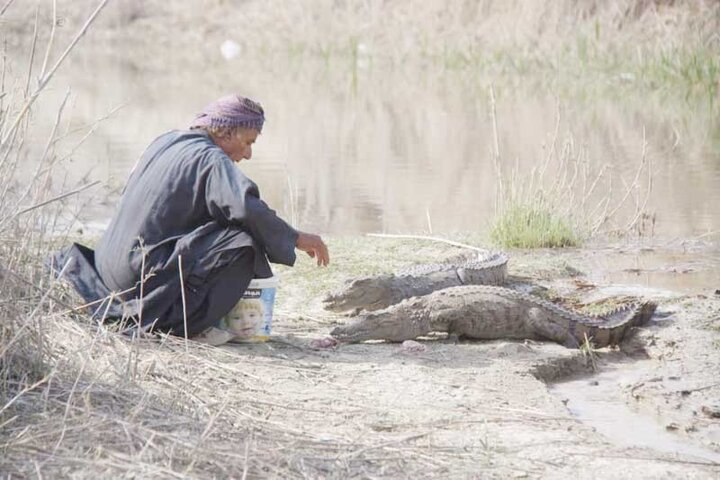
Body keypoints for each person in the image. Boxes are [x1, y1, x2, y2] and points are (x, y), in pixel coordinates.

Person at [51, 94, 329, 345]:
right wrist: (296, 238)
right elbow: (245, 208)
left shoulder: (166, 141)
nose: (248, 153)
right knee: (243, 245)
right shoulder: (210, 159)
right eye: (247, 142)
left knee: (227, 230)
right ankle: (187, 327)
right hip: (136, 278)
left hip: (106, 272)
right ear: (225, 131)